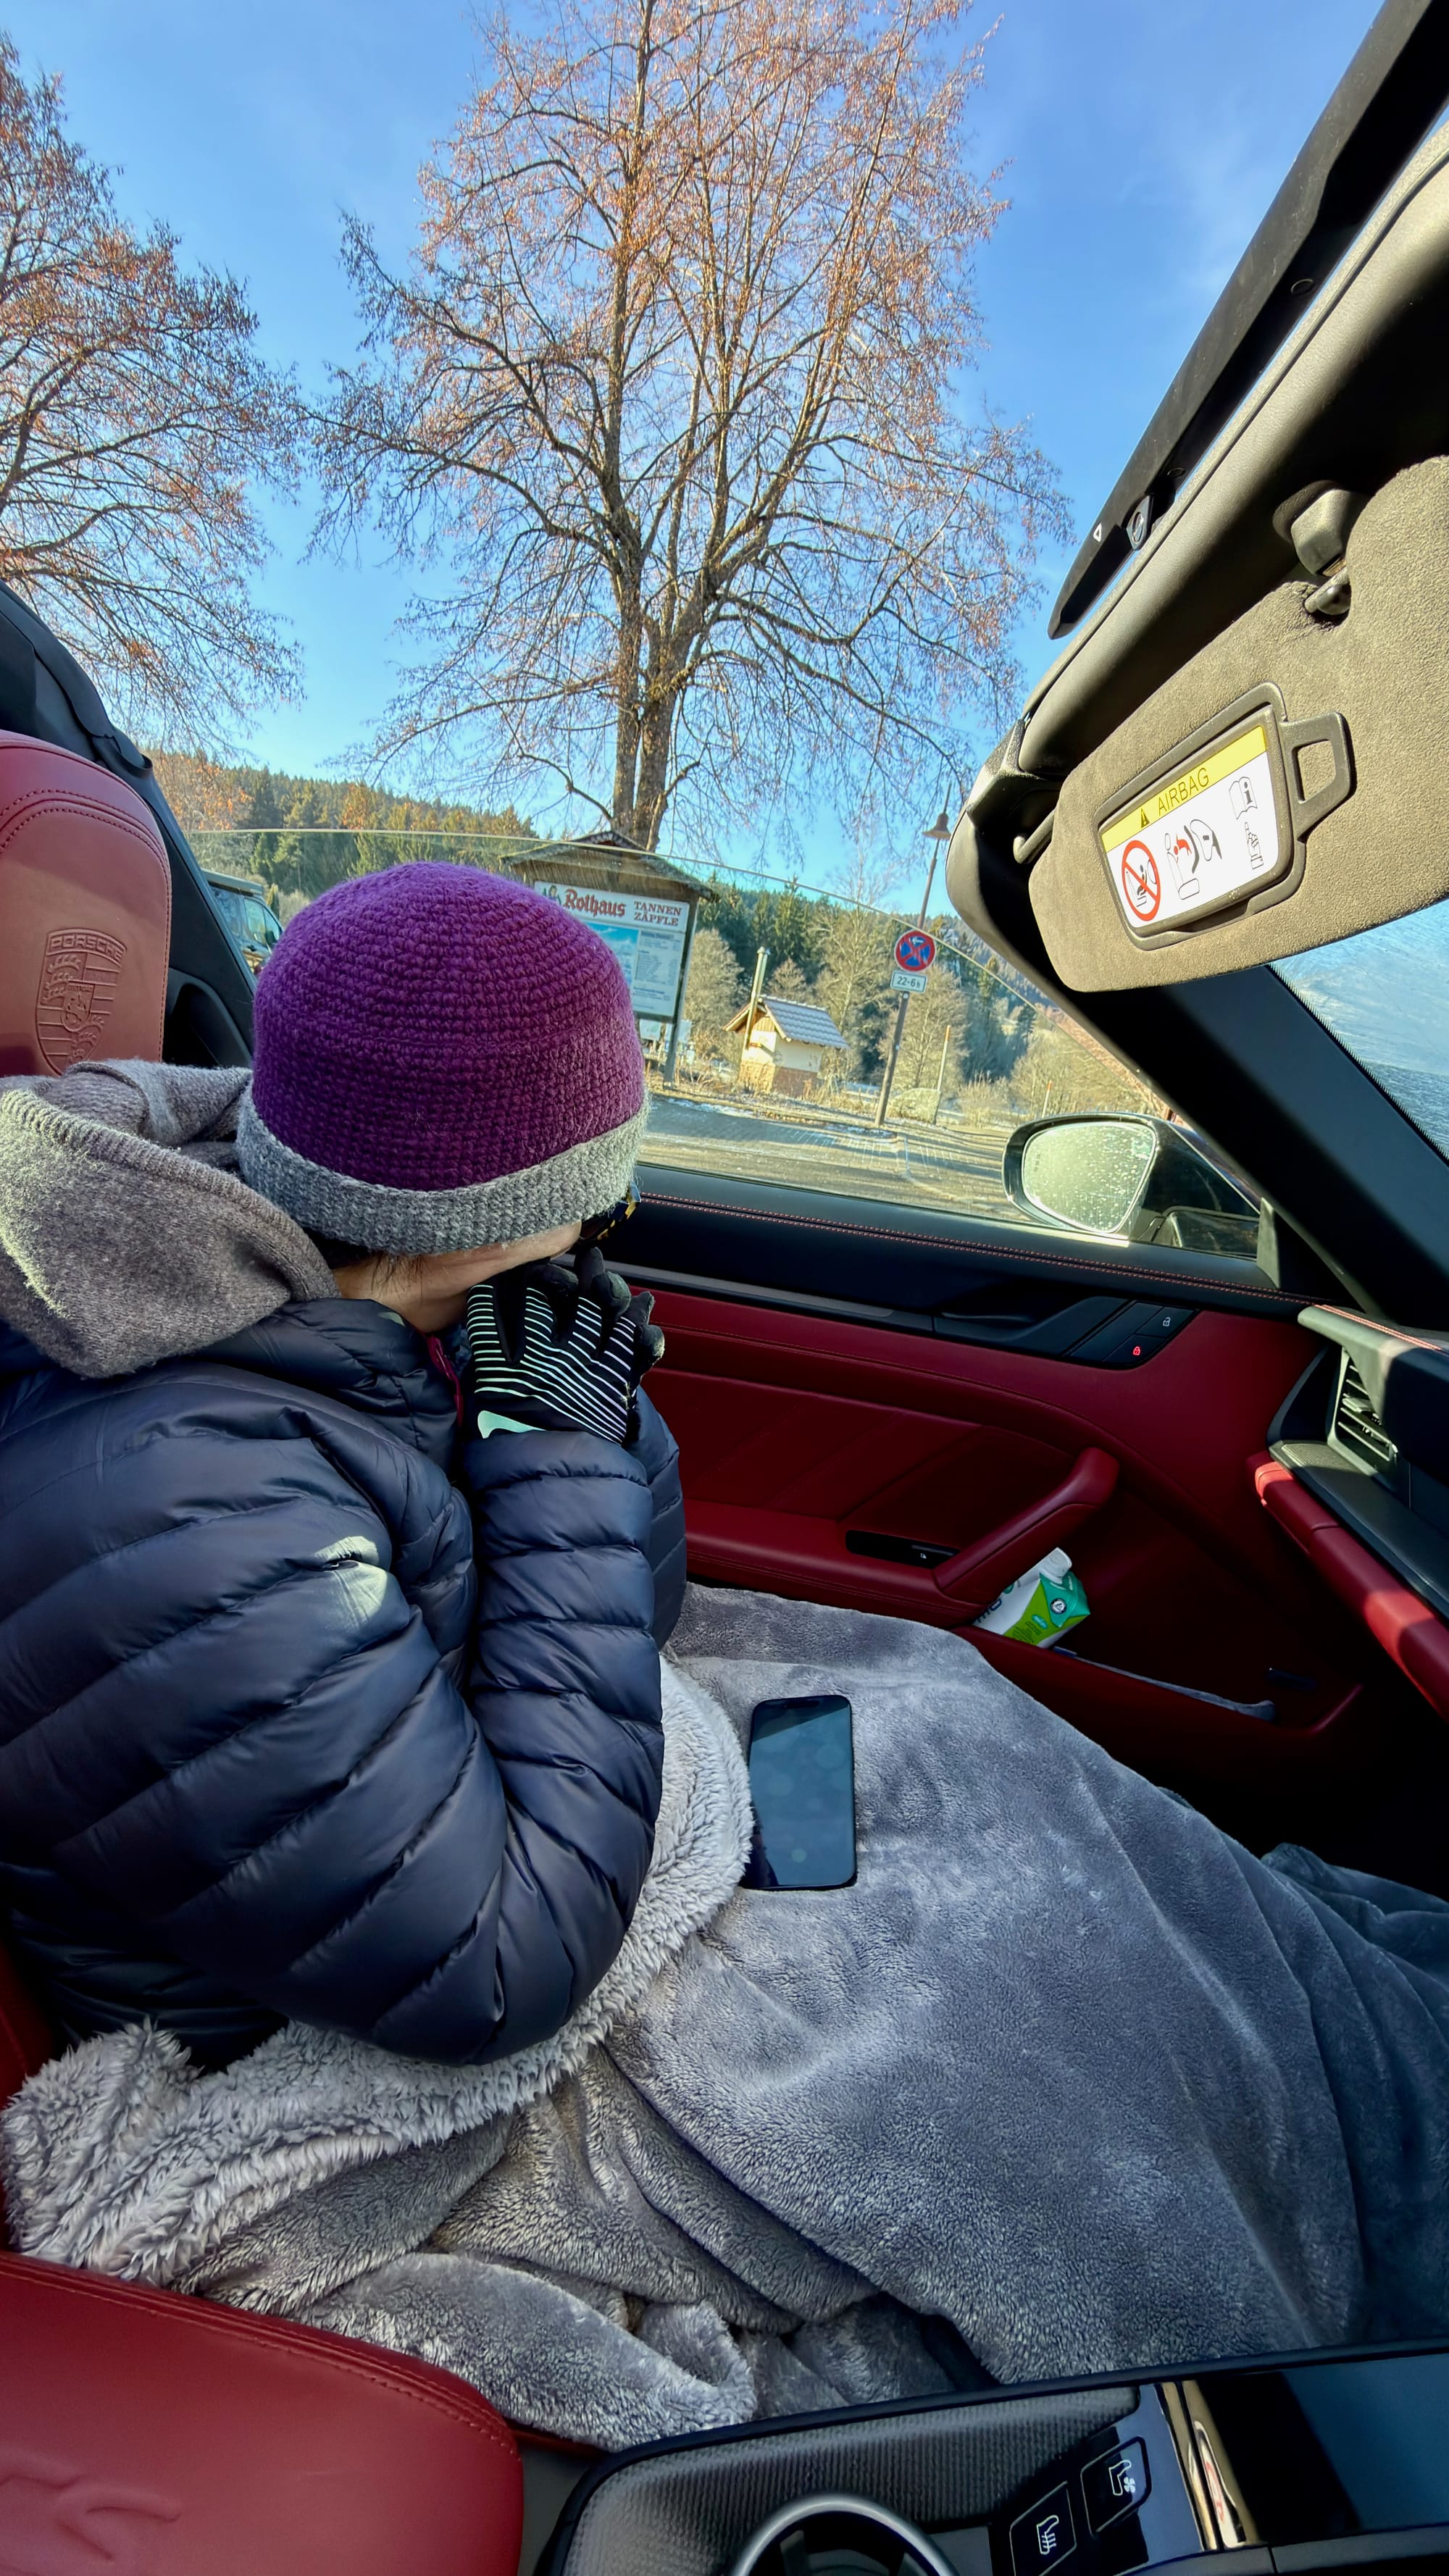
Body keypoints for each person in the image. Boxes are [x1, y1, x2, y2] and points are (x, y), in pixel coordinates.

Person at [0, 863, 683, 2067]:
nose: (598, 1235)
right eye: (601, 1204)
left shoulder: (374, 1331)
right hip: (265, 2052)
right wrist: (560, 1457)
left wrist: (583, 1423)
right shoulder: (185, 1509)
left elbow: (646, 1612)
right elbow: (495, 1963)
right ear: (473, 1221)